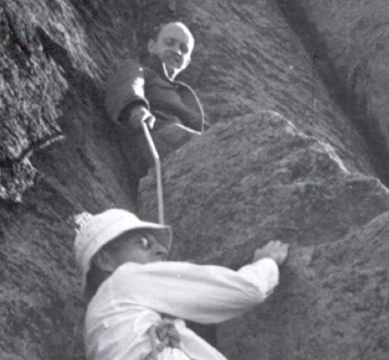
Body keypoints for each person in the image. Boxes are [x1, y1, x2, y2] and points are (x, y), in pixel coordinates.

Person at [74, 209, 289, 360]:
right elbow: (246, 289)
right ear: (105, 260)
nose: (162, 250)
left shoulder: (103, 318)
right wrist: (267, 262)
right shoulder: (124, 279)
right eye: (144, 243)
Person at [104, 22, 208, 178]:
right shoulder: (139, 69)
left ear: (186, 63)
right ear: (152, 46)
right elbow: (129, 84)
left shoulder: (183, 95)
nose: (176, 51)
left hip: (180, 141)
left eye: (183, 49)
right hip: (153, 133)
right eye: (170, 42)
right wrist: (136, 107)